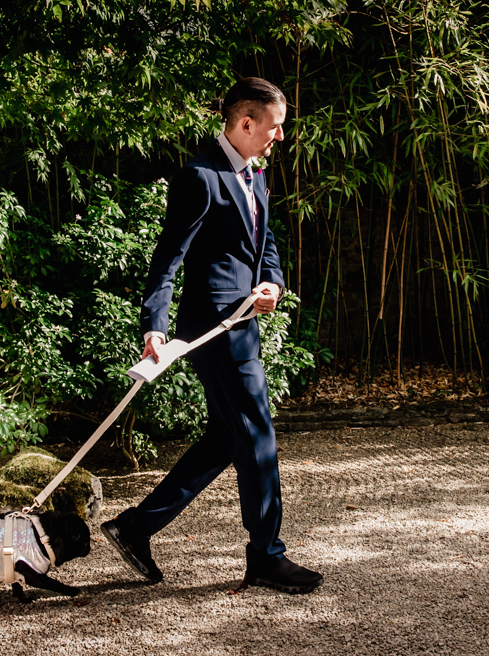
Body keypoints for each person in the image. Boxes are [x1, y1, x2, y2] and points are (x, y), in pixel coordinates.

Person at [100, 77, 323, 595]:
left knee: (227, 438)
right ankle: (267, 556)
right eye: (275, 126)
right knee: (259, 435)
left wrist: (272, 282)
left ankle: (135, 527)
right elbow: (167, 261)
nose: (281, 137)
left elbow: (263, 245)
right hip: (213, 331)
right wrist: (155, 328)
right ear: (245, 123)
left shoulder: (255, 174)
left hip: (243, 323)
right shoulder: (199, 177)